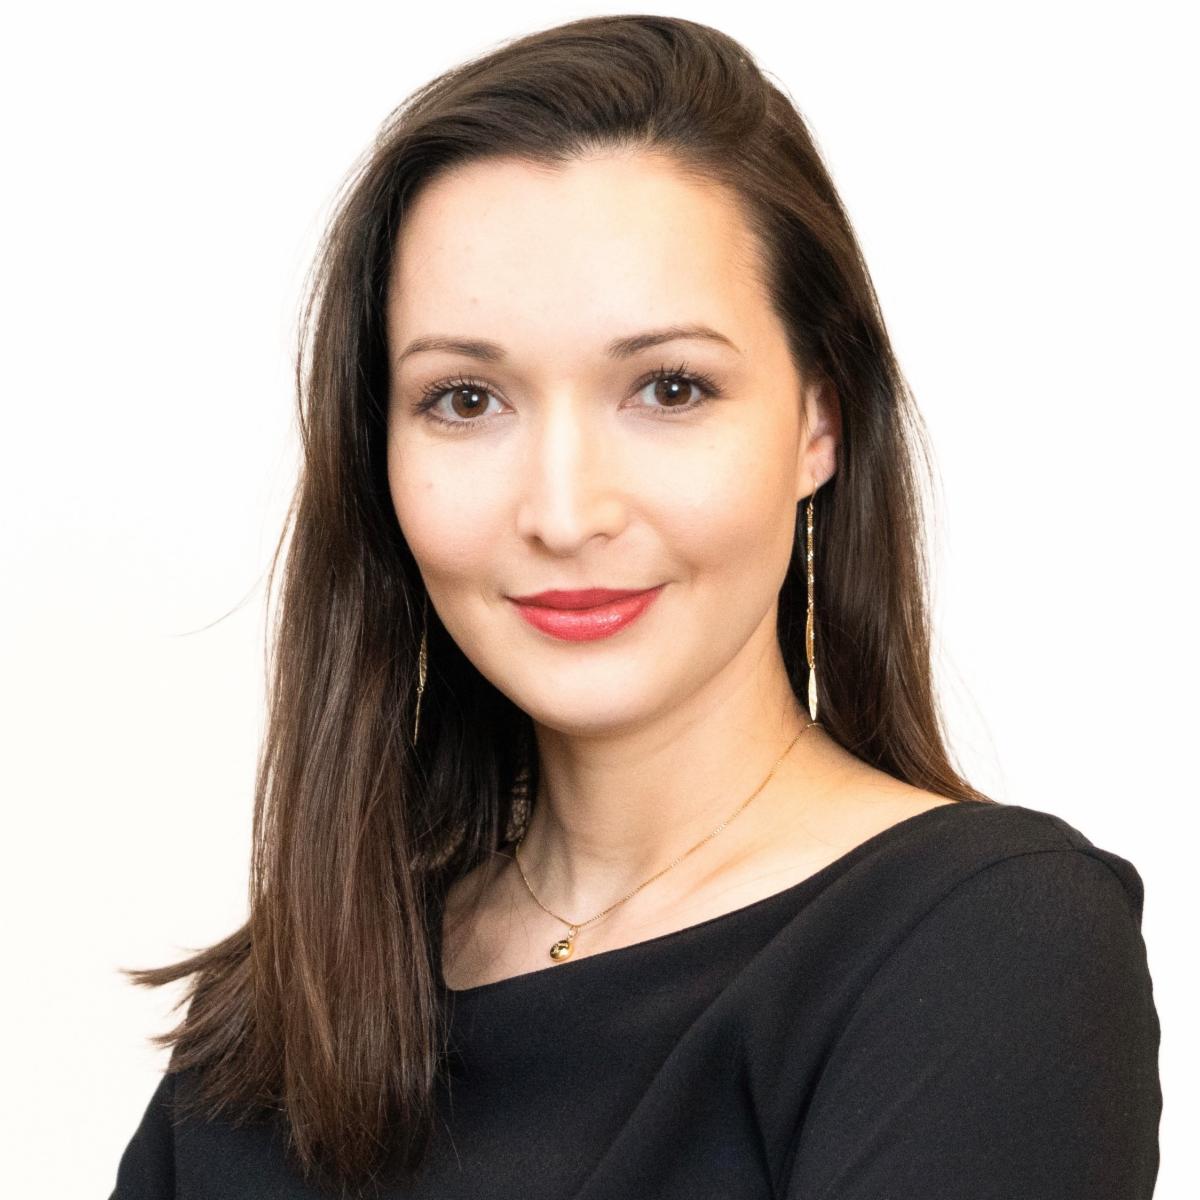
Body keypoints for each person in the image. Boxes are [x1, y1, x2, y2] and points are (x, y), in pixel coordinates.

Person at [109, 14, 1161, 1199]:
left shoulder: (985, 948)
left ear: (819, 421)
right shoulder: (280, 1018)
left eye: (669, 388)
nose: (565, 512)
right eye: (465, 399)